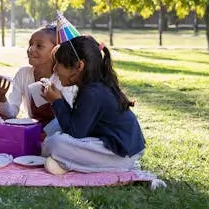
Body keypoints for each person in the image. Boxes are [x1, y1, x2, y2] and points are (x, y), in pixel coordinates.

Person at [41, 15, 145, 174]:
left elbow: (75, 132)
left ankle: (67, 163)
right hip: (114, 146)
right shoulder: (93, 86)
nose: (54, 70)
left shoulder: (92, 92)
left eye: (58, 65)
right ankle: (67, 163)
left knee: (56, 142)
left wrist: (57, 101)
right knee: (54, 128)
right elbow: (79, 125)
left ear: (78, 66)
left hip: (120, 154)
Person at [0, 24, 78, 132]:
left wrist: (42, 134)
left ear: (56, 50)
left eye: (39, 46)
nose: (30, 49)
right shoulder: (23, 73)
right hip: (32, 128)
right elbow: (11, 113)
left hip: (57, 131)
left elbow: (65, 119)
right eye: (30, 44)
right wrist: (1, 97)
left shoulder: (63, 79)